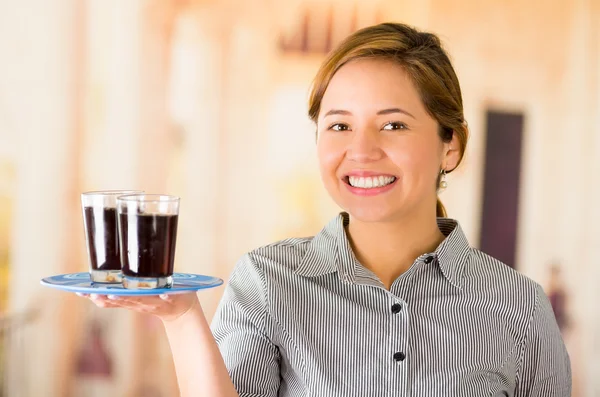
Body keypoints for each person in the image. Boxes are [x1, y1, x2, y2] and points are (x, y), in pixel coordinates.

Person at [80, 22, 571, 396]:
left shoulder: (520, 310)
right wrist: (182, 317)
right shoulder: (265, 281)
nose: (361, 151)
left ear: (451, 147)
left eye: (394, 125)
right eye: (339, 126)